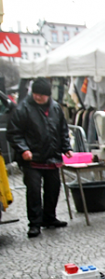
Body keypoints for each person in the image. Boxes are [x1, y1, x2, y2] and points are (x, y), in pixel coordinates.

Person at [7, 78, 73, 238]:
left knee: (53, 189)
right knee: (34, 191)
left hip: (52, 157)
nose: (38, 97)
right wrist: (23, 149)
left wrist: (66, 147)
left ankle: (49, 218)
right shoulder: (23, 108)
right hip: (32, 159)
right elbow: (14, 133)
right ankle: (35, 223)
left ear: (48, 95)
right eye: (36, 94)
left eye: (42, 95)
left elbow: (63, 130)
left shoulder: (56, 108)